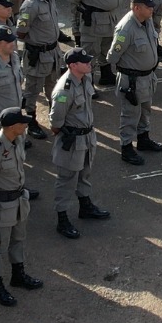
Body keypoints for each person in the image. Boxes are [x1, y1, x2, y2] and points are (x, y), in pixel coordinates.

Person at [0, 110, 45, 307]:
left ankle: (18, 276)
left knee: (18, 240)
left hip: (19, 199)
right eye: (23, 123)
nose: (26, 125)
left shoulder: (17, 139)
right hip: (1, 205)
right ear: (12, 126)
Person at [49, 49, 109, 240]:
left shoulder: (85, 79)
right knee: (67, 179)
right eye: (84, 62)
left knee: (84, 173)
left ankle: (85, 206)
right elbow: (55, 122)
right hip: (72, 141)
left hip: (87, 137)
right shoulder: (63, 90)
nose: (89, 64)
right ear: (73, 65)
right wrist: (70, 133)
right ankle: (62, 218)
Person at [108, 0, 162, 166]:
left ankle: (143, 139)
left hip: (147, 78)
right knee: (130, 115)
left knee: (145, 111)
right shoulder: (126, 29)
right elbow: (112, 56)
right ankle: (126, 148)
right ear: (137, 8)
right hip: (132, 81)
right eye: (148, 7)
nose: (152, 9)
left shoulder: (146, 21)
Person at [16, 0, 63, 131]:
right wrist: (36, 41)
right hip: (38, 54)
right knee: (33, 89)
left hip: (53, 52)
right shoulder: (30, 5)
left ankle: (54, 115)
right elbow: (21, 31)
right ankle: (31, 120)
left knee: (52, 86)